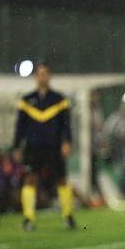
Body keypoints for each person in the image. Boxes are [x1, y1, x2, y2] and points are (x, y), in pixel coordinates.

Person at [13, 62, 76, 231]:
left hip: (53, 146)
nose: (43, 77)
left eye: (45, 73)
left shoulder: (59, 99)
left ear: (50, 76)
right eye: (40, 74)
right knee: (30, 179)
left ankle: (68, 216)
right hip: (33, 147)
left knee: (62, 179)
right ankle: (28, 218)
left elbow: (66, 124)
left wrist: (67, 142)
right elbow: (20, 125)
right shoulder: (26, 100)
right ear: (35, 77)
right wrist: (17, 146)